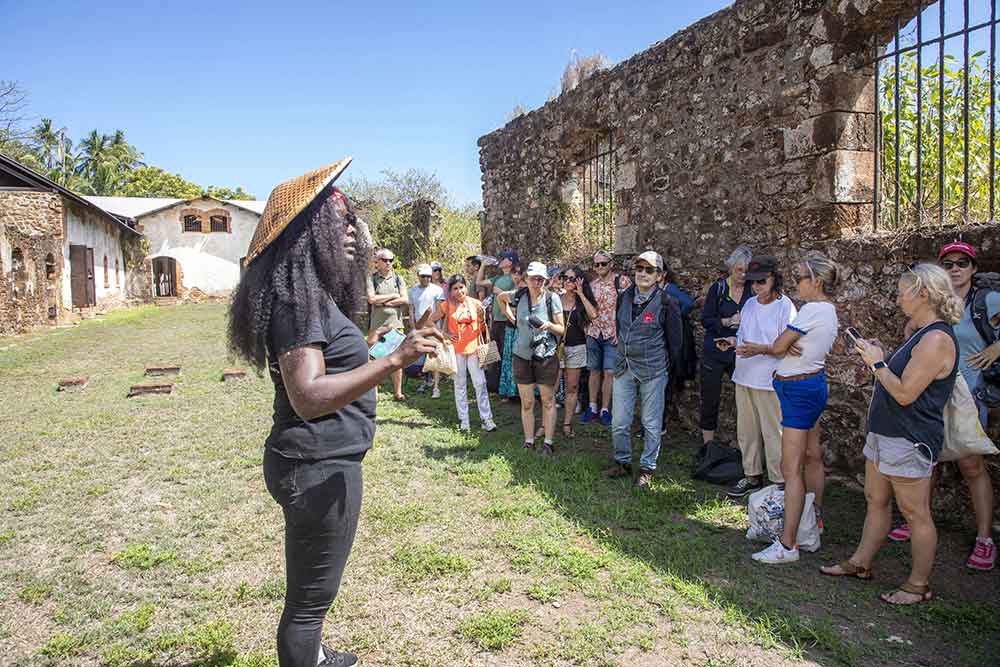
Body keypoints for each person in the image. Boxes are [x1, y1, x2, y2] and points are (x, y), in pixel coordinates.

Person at [227, 159, 442, 667]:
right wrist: (392, 361)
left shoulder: (310, 294)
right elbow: (307, 394)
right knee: (306, 605)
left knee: (311, 588)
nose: (353, 232)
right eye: (339, 220)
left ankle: (317, 655)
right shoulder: (296, 301)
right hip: (316, 467)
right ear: (307, 232)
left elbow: (323, 362)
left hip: (319, 461)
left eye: (352, 221)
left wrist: (371, 346)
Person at [822, 263, 961, 605]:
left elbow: (904, 393)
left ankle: (917, 585)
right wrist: (880, 357)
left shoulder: (937, 339)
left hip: (908, 438)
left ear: (923, 293)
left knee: (916, 514)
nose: (897, 298)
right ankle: (860, 563)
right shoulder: (919, 332)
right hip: (886, 434)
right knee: (876, 500)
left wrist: (877, 363)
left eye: (902, 292)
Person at [886, 241, 998, 571]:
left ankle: (984, 538)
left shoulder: (986, 301)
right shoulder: (935, 306)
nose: (955, 268)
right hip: (932, 394)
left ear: (974, 268)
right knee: (926, 462)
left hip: (967, 396)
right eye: (948, 264)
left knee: (972, 467)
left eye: (963, 262)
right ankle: (917, 520)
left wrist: (995, 349)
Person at [752, 252, 840, 565]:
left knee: (791, 469)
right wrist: (783, 344)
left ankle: (787, 544)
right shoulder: (828, 311)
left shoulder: (812, 310)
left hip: (797, 392)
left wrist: (777, 345)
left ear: (816, 281)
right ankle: (812, 520)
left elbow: (777, 346)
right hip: (810, 385)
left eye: (801, 276)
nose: (796, 282)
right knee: (812, 456)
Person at [717, 256, 798, 498]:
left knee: (773, 432)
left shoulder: (785, 307)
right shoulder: (750, 304)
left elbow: (788, 346)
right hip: (744, 375)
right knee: (747, 431)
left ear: (774, 279)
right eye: (753, 282)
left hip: (769, 379)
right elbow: (744, 335)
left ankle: (778, 481)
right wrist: (732, 342)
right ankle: (751, 475)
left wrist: (759, 349)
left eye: (762, 281)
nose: (757, 287)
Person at [603, 251, 683, 488]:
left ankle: (647, 467)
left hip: (653, 369)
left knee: (650, 422)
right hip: (624, 366)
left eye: (649, 270)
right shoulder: (625, 296)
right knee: (619, 421)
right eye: (640, 269)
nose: (643, 274)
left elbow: (675, 341)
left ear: (660, 276)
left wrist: (667, 368)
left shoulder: (668, 302)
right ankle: (622, 461)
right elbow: (621, 326)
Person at [498, 261, 565, 454]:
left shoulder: (552, 299)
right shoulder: (519, 295)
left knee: (547, 400)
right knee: (527, 401)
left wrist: (548, 325)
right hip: (522, 355)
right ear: (526, 279)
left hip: (546, 354)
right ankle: (529, 440)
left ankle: (548, 442)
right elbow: (500, 298)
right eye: (533, 278)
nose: (536, 282)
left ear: (545, 280)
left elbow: (562, 329)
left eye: (540, 279)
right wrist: (510, 316)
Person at [429, 275, 497, 433]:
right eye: (455, 288)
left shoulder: (476, 303)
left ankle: (487, 419)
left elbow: (483, 326)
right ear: (450, 291)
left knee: (480, 383)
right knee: (459, 384)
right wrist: (443, 334)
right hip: (456, 350)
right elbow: (430, 321)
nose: (459, 291)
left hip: (475, 349)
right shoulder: (446, 305)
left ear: (466, 287)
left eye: (461, 287)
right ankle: (464, 420)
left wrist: (482, 316)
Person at [700, 245, 753, 444]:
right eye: (739, 270)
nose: (743, 274)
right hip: (715, 349)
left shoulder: (752, 291)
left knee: (745, 400)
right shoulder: (719, 288)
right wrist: (727, 322)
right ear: (731, 268)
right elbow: (705, 319)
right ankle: (708, 446)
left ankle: (745, 446)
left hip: (739, 351)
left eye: (747, 270)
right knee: (710, 398)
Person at [583, 250, 631, 426]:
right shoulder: (592, 285)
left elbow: (629, 309)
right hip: (594, 333)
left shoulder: (622, 282)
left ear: (611, 264)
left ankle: (605, 409)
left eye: (604, 263)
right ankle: (592, 406)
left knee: (609, 372)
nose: (600, 267)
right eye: (597, 264)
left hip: (613, 334)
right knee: (594, 371)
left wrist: (622, 333)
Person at [558, 265, 598, 437]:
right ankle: (546, 425)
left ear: (579, 281)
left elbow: (594, 315)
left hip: (577, 347)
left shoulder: (583, 302)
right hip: (556, 349)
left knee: (572, 387)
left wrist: (581, 293)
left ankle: (567, 424)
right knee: (550, 388)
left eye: (572, 278)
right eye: (565, 277)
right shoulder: (556, 298)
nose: (568, 281)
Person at [366, 248, 409, 401]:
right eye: (385, 260)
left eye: (391, 260)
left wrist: (382, 301)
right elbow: (371, 299)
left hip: (395, 325)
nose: (389, 263)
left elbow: (405, 300)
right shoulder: (371, 279)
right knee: (374, 359)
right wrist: (393, 296)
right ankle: (374, 393)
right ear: (377, 262)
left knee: (396, 360)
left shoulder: (398, 278)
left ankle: (397, 392)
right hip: (376, 327)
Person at [478, 250, 519, 393]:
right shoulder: (497, 277)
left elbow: (518, 293)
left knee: (504, 353)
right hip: (495, 319)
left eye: (504, 258)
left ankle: (504, 387)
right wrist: (483, 265)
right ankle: (492, 385)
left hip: (507, 320)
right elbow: (479, 282)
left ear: (511, 262)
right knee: (493, 352)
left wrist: (499, 291)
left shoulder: (514, 277)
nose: (501, 260)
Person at [408, 264, 444, 398]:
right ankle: (425, 381)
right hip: (419, 328)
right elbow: (411, 311)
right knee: (421, 356)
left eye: (428, 276)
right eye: (423, 276)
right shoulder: (413, 291)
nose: (426, 279)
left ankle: (436, 387)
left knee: (434, 355)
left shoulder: (437, 290)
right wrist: (413, 327)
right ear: (418, 276)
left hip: (433, 328)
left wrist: (434, 326)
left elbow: (440, 311)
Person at [498, 264, 523, 401]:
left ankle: (521, 392)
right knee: (508, 358)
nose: (516, 277)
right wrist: (512, 318)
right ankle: (508, 391)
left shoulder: (526, 291)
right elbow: (503, 304)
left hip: (525, 329)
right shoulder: (510, 291)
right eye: (514, 273)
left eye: (519, 274)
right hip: (511, 328)